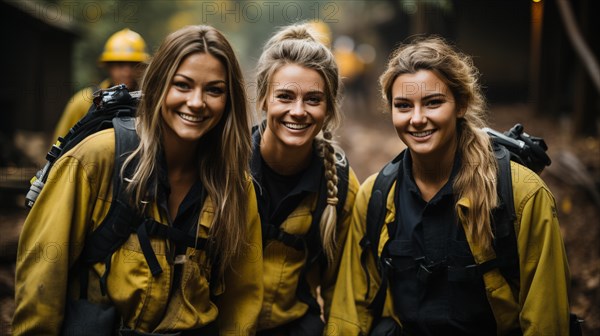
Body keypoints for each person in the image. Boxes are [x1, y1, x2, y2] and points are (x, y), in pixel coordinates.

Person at [13, 25, 263, 335]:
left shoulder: (234, 184)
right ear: (158, 85)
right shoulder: (97, 159)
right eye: (182, 85)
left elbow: (243, 297)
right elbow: (43, 281)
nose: (197, 102)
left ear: (229, 101)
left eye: (214, 90)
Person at [326, 36, 572, 335]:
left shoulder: (521, 195)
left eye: (433, 103)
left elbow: (546, 319)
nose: (417, 119)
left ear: (461, 104)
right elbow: (351, 309)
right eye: (403, 105)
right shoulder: (376, 194)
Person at [251, 23, 360, 335]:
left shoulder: (339, 183)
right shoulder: (225, 165)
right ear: (263, 99)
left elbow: (343, 291)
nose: (298, 111)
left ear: (328, 108)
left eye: (313, 99)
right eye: (285, 96)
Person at [53, 28, 149, 140]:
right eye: (120, 64)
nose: (127, 72)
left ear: (143, 67)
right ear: (108, 66)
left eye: (134, 64)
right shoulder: (83, 102)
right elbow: (59, 147)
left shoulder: (149, 103)